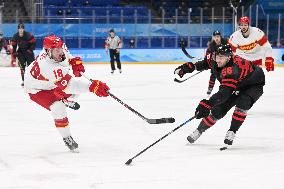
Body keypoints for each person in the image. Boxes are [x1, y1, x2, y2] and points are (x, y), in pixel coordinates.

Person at [24, 35, 110, 152]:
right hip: (36, 89)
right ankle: (66, 137)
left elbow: (67, 56)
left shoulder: (58, 47)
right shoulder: (47, 67)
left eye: (60, 48)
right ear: (48, 51)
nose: (60, 52)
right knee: (58, 107)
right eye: (57, 50)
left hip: (50, 82)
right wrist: (92, 87)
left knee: (73, 93)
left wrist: (74, 61)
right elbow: (70, 86)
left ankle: (65, 100)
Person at [174, 44, 265, 147]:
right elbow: (203, 63)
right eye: (217, 56)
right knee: (217, 110)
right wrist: (188, 67)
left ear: (229, 57)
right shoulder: (213, 58)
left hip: (253, 84)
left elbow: (224, 93)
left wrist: (208, 103)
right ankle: (199, 131)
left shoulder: (232, 69)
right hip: (237, 83)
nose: (218, 60)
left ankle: (232, 131)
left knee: (242, 102)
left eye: (221, 57)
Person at [205, 30, 228, 96]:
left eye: (218, 36)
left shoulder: (225, 42)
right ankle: (210, 89)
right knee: (213, 75)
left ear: (220, 37)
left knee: (226, 76)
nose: (216, 38)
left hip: (225, 62)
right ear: (213, 37)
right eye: (215, 37)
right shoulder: (211, 45)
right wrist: (208, 63)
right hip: (215, 62)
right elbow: (208, 56)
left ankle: (226, 89)